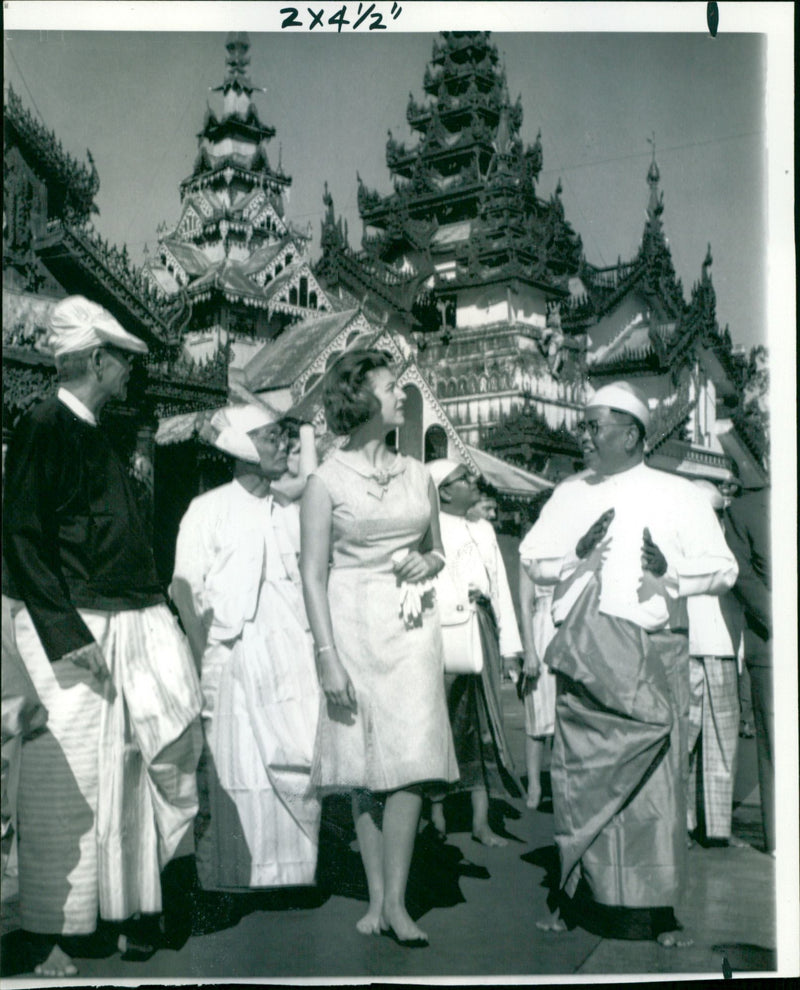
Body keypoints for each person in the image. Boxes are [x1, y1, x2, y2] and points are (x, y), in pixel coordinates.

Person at [2, 295, 203, 977]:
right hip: (68, 631)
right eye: (122, 361)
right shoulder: (44, 424)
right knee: (63, 787)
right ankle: (46, 932)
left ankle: (107, 913)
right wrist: (64, 634)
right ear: (95, 358)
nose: (130, 375)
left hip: (117, 625)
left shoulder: (98, 432)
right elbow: (24, 539)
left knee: (120, 772)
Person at [520, 381, 738, 946]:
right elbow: (533, 560)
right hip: (585, 655)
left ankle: (660, 912)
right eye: (585, 425)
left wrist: (671, 574)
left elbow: (723, 569)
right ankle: (569, 895)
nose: (583, 436)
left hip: (651, 655)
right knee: (577, 783)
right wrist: (577, 553)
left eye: (595, 426)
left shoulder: (680, 494)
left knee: (655, 790)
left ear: (632, 434)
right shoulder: (569, 493)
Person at [300, 349, 458, 947]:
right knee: (364, 765)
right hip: (353, 625)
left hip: (413, 625)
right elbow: (313, 575)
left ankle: (397, 901)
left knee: (413, 760)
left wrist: (429, 559)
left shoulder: (419, 473)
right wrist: (326, 656)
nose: (402, 396)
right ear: (360, 398)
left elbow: (439, 548)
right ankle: (375, 898)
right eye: (392, 388)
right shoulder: (325, 482)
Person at [171, 404, 321, 893]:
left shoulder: (293, 516)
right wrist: (199, 659)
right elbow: (184, 589)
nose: (285, 447)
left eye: (286, 438)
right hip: (227, 656)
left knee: (294, 755)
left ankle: (291, 877)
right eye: (272, 438)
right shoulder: (208, 509)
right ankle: (228, 876)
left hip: (287, 660)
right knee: (232, 767)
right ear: (242, 450)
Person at [427, 459, 523, 847]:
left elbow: (498, 588)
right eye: (462, 479)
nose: (472, 483)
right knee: (442, 721)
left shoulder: (483, 529)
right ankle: (435, 817)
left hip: (480, 630)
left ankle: (483, 822)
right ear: (444, 491)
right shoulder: (426, 531)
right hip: (442, 632)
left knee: (484, 721)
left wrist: (511, 647)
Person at [685, 480, 744, 846]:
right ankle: (685, 823)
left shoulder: (733, 542)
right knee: (686, 743)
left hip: (722, 647)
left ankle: (718, 829)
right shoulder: (681, 541)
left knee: (722, 742)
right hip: (690, 647)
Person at [723, 483, 773, 855]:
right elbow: (742, 574)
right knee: (775, 747)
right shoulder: (745, 510)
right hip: (772, 644)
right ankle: (782, 840)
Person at [518, 491, 558, 810]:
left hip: (568, 630)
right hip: (542, 629)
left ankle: (560, 783)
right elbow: (525, 603)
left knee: (564, 715)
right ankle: (533, 785)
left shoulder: (573, 547)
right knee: (537, 717)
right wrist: (529, 651)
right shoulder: (530, 551)